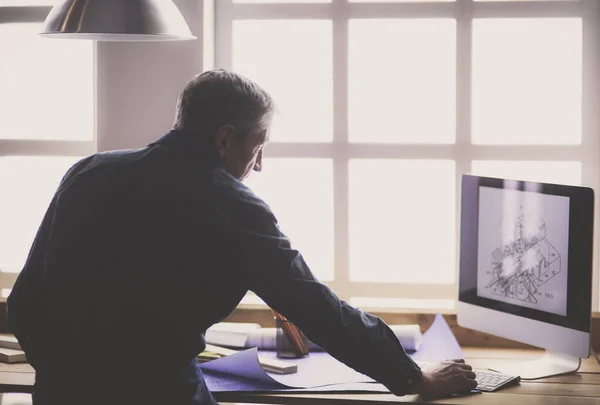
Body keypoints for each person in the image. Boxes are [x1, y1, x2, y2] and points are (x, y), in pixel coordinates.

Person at [7, 69, 477, 405]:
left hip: (61, 391)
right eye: (258, 147)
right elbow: (317, 309)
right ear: (225, 138)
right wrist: (414, 378)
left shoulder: (89, 171)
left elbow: (26, 297)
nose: (259, 165)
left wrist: (62, 373)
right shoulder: (228, 202)